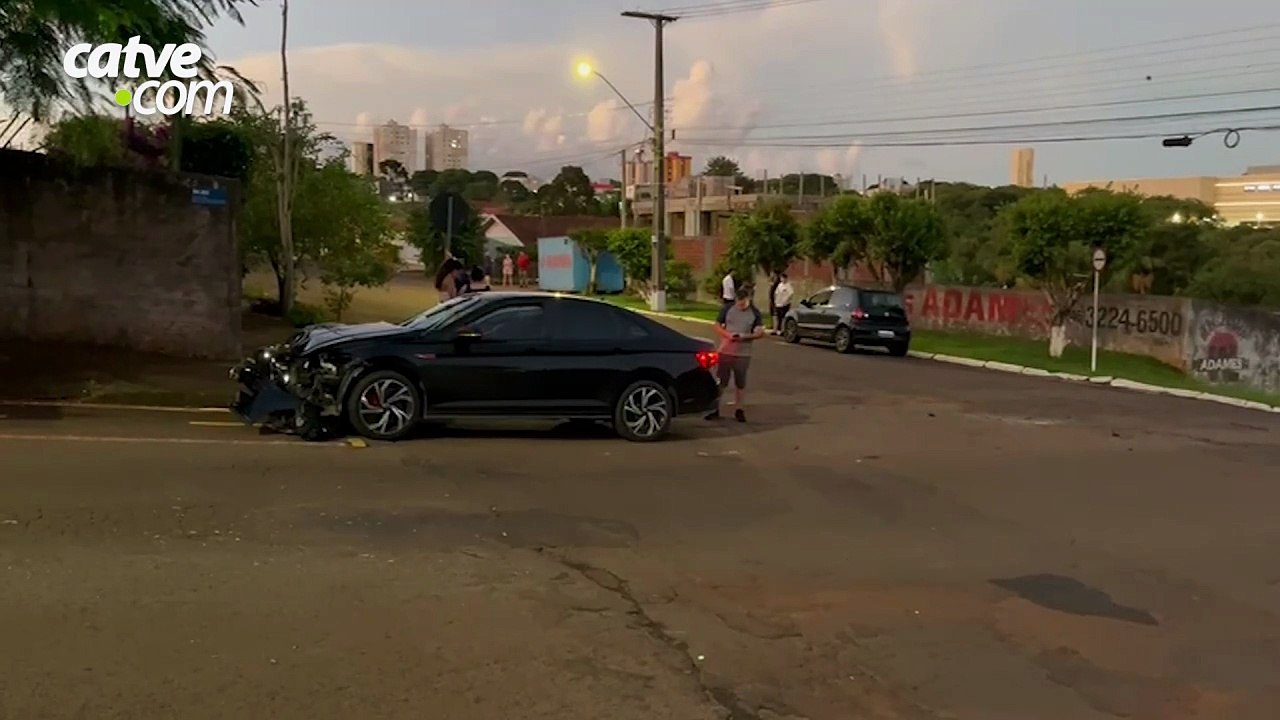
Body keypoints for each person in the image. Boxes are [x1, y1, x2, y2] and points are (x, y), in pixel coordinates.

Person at [706, 287, 765, 423]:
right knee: (721, 381)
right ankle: (715, 408)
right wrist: (727, 335)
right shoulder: (727, 309)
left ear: (748, 300)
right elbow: (716, 325)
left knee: (740, 382)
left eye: (743, 303)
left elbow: (760, 332)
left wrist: (745, 336)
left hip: (743, 353)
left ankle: (739, 409)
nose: (740, 306)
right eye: (738, 303)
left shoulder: (754, 313)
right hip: (726, 350)